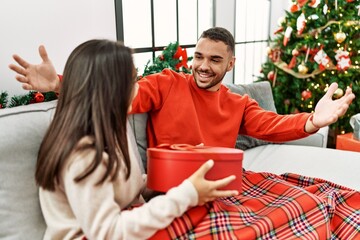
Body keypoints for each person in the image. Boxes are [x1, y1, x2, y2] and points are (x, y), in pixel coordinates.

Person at [9, 27, 359, 239]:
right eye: (198, 57)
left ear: (231, 64)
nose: (203, 66)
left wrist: (314, 121)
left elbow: (273, 125)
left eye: (215, 60)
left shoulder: (237, 102)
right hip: (175, 188)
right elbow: (111, 92)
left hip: (206, 184)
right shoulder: (164, 84)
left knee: (310, 198)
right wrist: (59, 84)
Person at [23, 39, 239, 240]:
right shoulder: (82, 155)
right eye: (133, 80)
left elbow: (127, 185)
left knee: (221, 214)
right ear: (110, 90)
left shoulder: (114, 125)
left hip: (128, 218)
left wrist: (181, 173)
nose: (138, 87)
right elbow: (107, 232)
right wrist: (186, 194)